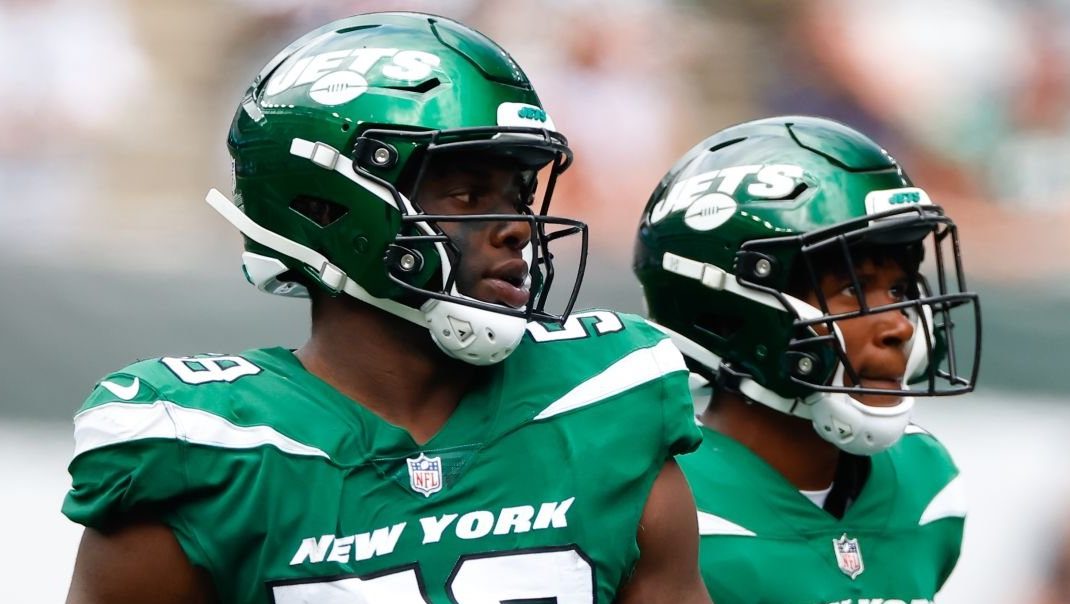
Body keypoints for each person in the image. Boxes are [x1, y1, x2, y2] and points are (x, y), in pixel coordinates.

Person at [62, 13, 710, 604]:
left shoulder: (602, 400)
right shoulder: (205, 449)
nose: (516, 227)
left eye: (517, 194)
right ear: (327, 209)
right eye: (467, 194)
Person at [633, 115, 983, 603]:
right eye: (853, 290)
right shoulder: (654, 506)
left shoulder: (926, 484)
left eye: (900, 290)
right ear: (731, 311)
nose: (900, 327)